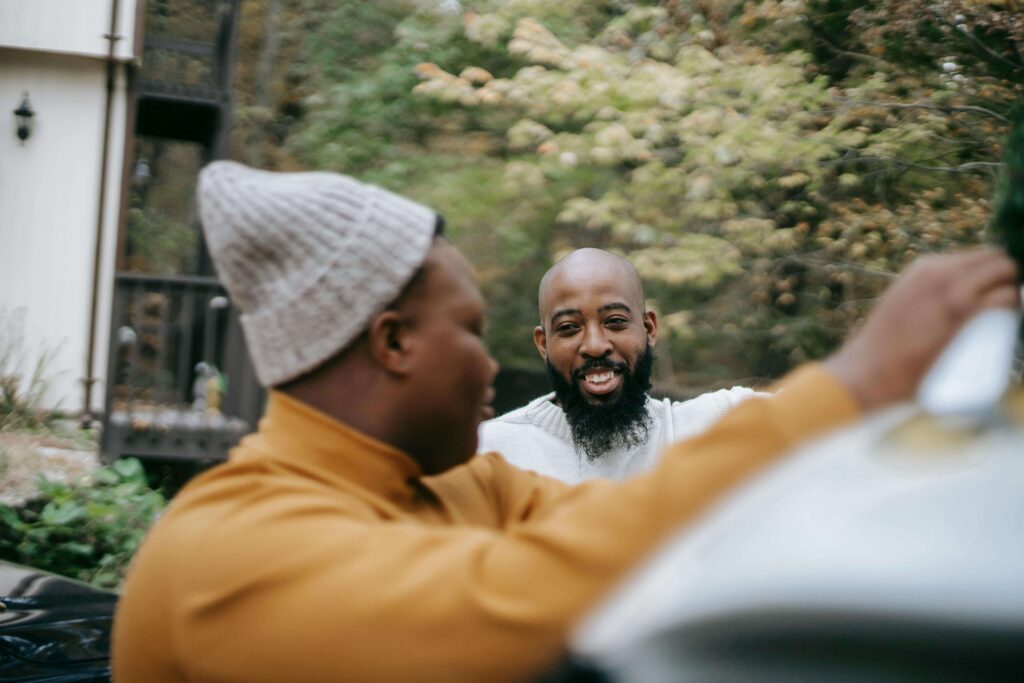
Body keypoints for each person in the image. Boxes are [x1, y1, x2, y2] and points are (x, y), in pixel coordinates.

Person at [112, 160, 1018, 683]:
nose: (495, 362)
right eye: (470, 329)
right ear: (391, 342)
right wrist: (850, 383)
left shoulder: (460, 482)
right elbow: (535, 594)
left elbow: (640, 529)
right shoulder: (226, 553)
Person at [479, 248, 761, 483]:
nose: (594, 345)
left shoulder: (716, 425)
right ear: (543, 344)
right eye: (568, 327)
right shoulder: (490, 455)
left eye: (615, 321)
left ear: (649, 328)